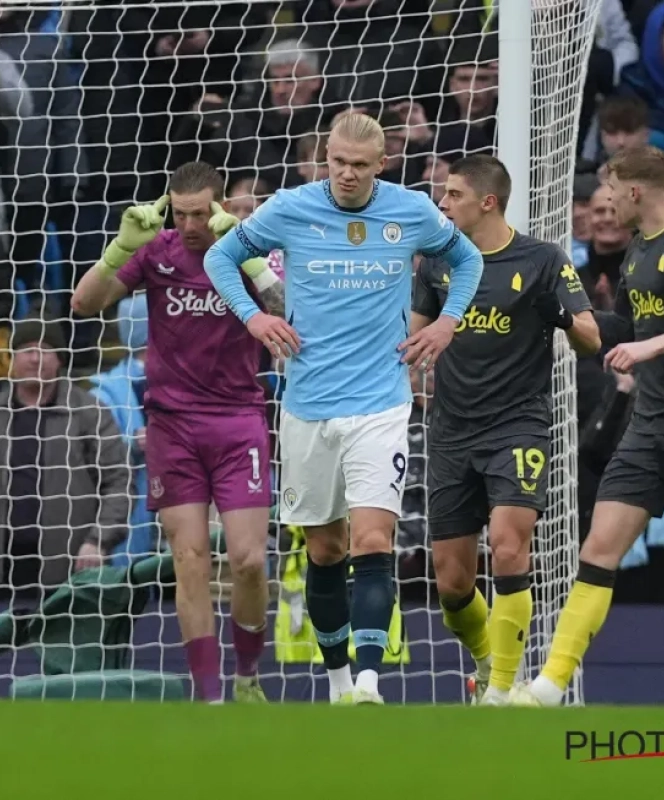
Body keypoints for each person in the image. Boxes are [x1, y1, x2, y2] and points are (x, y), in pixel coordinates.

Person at [204, 113, 484, 705]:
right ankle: (336, 685)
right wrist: (254, 316)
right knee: (324, 549)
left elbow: (470, 261)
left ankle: (368, 681)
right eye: (337, 162)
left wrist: (447, 324)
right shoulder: (291, 207)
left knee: (373, 540)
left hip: (381, 402)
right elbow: (219, 259)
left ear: (382, 164)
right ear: (322, 158)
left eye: (360, 165)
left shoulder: (410, 211)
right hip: (306, 404)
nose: (347, 175)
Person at [513, 145, 664, 706]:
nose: (607, 202)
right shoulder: (638, 252)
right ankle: (550, 685)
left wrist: (650, 348)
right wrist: (567, 317)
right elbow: (624, 326)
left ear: (636, 191)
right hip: (648, 429)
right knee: (598, 549)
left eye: (612, 191)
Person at [70, 161, 282, 704]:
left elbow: (289, 312)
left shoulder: (245, 246)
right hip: (172, 425)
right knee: (188, 560)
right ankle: (209, 694)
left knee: (249, 561)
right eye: (179, 213)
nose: (188, 225)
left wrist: (252, 260)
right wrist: (118, 250)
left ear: (219, 208)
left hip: (238, 420)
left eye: (199, 213)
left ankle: (249, 675)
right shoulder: (155, 248)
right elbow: (84, 303)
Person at [411, 154, 600, 705]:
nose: (442, 205)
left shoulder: (542, 260)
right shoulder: (438, 265)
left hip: (517, 426)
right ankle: (488, 659)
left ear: (486, 201)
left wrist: (561, 315)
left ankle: (497, 695)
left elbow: (590, 337)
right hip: (450, 430)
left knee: (510, 547)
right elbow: (414, 341)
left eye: (452, 195)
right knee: (451, 583)